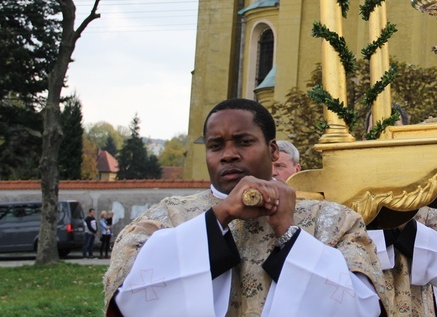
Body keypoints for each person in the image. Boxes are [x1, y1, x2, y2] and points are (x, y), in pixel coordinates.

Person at [104, 98, 388, 316]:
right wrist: (217, 218)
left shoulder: (334, 218)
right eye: (216, 146)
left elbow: (362, 306)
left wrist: (289, 234)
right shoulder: (165, 216)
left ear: (273, 150)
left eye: (244, 142)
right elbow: (128, 295)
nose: (228, 154)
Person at [364, 106, 437, 316]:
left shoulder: (430, 188)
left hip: (415, 304)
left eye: (393, 130)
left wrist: (403, 223)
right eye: (376, 131)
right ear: (365, 138)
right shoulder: (354, 189)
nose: (385, 138)